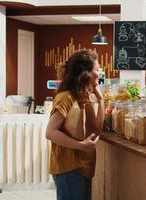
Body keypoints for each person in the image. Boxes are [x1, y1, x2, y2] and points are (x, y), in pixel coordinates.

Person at [46, 49, 104, 200]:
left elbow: (97, 129)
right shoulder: (66, 97)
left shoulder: (86, 96)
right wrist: (81, 146)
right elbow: (50, 132)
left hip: (83, 167)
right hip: (68, 168)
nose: (100, 72)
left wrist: (101, 99)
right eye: (97, 69)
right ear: (86, 73)